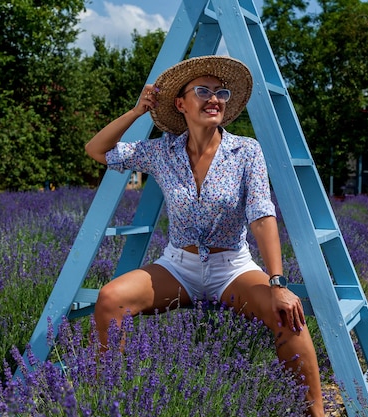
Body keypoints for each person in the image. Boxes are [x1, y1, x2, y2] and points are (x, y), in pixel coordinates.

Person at [85, 55, 325, 416]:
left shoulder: (246, 151)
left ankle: (315, 414)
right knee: (109, 299)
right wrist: (137, 113)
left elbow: (261, 215)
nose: (214, 98)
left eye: (221, 92)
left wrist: (277, 282)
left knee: (289, 318)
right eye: (203, 91)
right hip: (178, 266)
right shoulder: (161, 151)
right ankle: (110, 403)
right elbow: (97, 150)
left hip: (232, 267)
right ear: (181, 104)